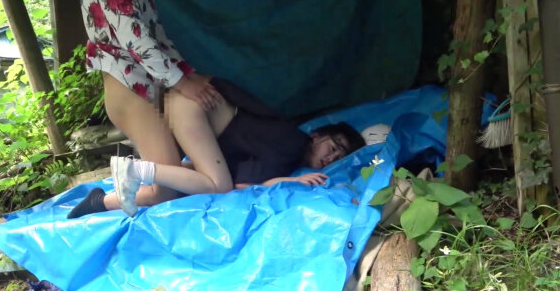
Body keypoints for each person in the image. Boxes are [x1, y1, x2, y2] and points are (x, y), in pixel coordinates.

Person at [68, 78, 366, 218]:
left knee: (176, 187)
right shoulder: (291, 144)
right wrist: (288, 181)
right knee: (216, 186)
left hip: (185, 108)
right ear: (316, 135)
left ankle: (99, 201)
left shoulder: (287, 140)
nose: (332, 157)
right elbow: (241, 186)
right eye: (334, 145)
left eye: (338, 157)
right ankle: (135, 170)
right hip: (191, 110)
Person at [78, 0, 224, 211]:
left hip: (153, 79)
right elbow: (133, 37)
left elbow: (154, 30)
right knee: (164, 192)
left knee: (189, 172)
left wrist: (185, 75)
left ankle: (141, 171)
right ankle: (100, 201)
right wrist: (183, 83)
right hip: (128, 85)